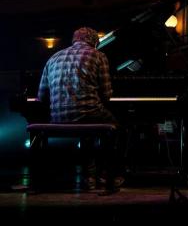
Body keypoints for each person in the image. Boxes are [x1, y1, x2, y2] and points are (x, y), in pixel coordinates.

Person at [37, 27, 124, 193]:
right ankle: (109, 175)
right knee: (118, 126)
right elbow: (106, 95)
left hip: (58, 118)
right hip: (89, 114)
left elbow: (42, 96)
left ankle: (89, 177)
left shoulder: (53, 57)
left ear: (74, 40)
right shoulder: (98, 55)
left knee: (88, 130)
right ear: (94, 42)